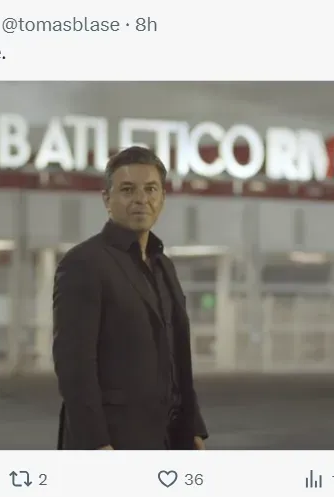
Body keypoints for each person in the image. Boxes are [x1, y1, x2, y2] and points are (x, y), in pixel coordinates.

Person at [53, 146, 208, 450]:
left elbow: (177, 358)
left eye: (150, 189)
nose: (140, 199)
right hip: (113, 440)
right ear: (106, 199)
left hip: (169, 440)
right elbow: (74, 366)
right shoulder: (84, 263)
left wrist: (194, 428)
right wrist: (97, 444)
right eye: (127, 190)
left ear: (162, 198)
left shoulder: (164, 266)